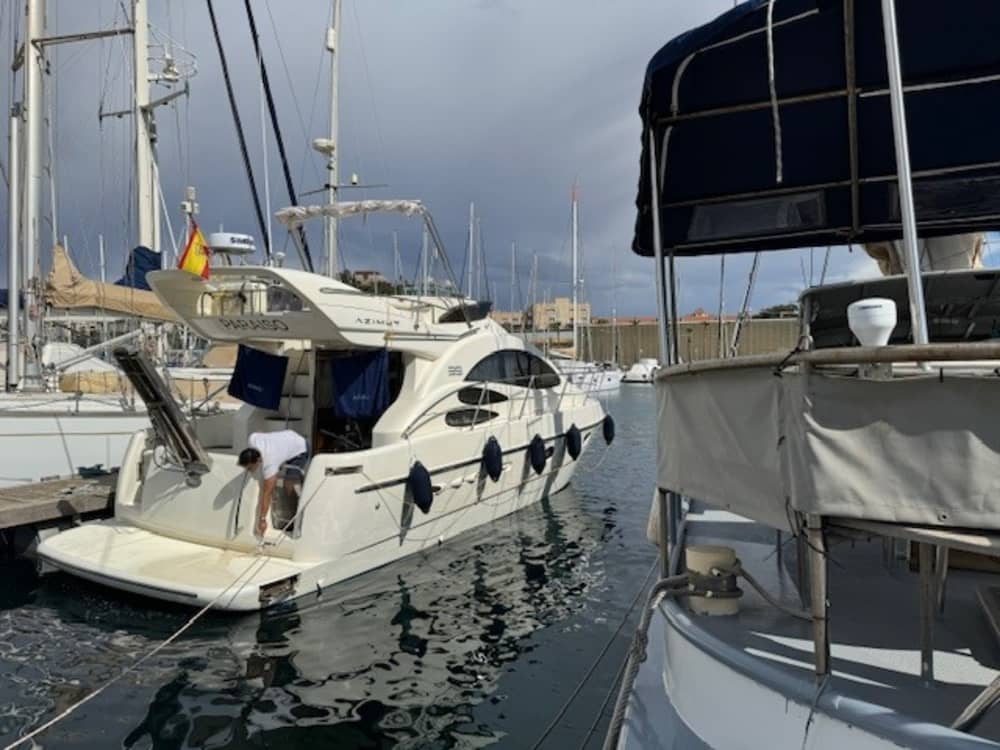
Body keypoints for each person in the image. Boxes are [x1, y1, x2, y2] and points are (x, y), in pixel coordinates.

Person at [237, 429, 308, 537]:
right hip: (288, 436)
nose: (249, 471)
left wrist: (262, 520)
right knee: (274, 475)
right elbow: (259, 431)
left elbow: (267, 494)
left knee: (289, 483)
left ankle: (294, 518)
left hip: (300, 448)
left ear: (259, 461)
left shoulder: (270, 463)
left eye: (250, 468)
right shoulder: (252, 439)